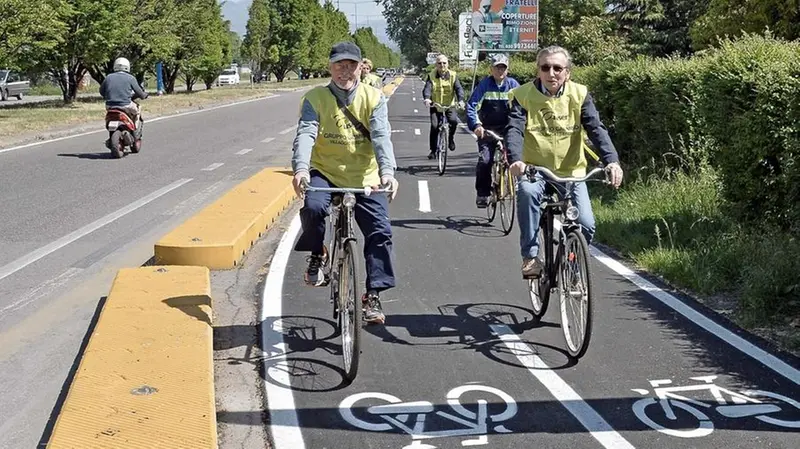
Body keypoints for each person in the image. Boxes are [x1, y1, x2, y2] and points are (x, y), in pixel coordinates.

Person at [291, 41, 399, 324]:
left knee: (380, 231)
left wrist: (388, 172)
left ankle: (373, 294)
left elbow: (380, 137)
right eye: (339, 65)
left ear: (360, 67)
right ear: (330, 67)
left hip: (365, 175)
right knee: (313, 207)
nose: (345, 71)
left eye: (351, 65)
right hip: (325, 171)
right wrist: (301, 170)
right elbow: (305, 134)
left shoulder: (374, 98)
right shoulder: (315, 98)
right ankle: (317, 253)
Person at [505, 46, 624, 277]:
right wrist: (516, 160)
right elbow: (514, 130)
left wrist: (612, 161)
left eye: (558, 68)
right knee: (527, 194)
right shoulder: (522, 95)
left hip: (571, 171)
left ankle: (570, 259)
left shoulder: (579, 94)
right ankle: (530, 257)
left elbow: (596, 129)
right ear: (538, 70)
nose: (551, 73)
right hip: (535, 169)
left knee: (586, 225)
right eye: (545, 67)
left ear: (567, 72)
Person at [465, 53, 520, 208]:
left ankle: (516, 186)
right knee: (485, 160)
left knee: (516, 157)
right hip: (488, 130)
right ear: (491, 69)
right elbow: (472, 106)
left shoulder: (513, 85)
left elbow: (523, 107)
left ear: (507, 70)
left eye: (503, 68)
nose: (500, 71)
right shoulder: (484, 85)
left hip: (509, 129)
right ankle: (482, 193)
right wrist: (476, 125)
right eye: (497, 68)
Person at [422, 54, 465, 159]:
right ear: (436, 65)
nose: (442, 65)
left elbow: (459, 89)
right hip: (435, 106)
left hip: (449, 105)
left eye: (444, 63)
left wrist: (460, 100)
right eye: (439, 63)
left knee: (454, 121)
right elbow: (427, 88)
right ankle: (433, 150)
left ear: (448, 64)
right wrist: (427, 98)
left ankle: (450, 138)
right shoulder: (431, 75)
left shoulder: (453, 75)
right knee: (434, 126)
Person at [100, 57, 148, 127]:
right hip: (126, 105)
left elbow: (101, 91)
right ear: (127, 66)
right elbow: (139, 92)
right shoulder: (131, 78)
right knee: (137, 109)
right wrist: (144, 95)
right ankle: (135, 130)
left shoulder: (108, 77)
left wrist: (107, 96)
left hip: (109, 106)